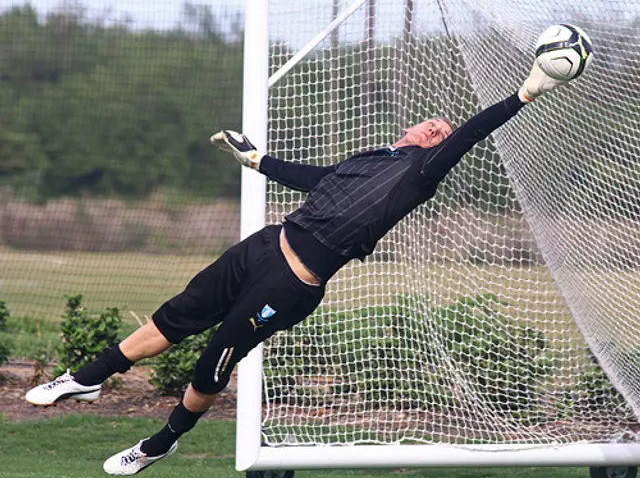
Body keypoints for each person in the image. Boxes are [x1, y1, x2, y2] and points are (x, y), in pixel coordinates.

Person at [25, 60, 566, 475]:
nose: (436, 130)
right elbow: (315, 178)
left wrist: (523, 94)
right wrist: (254, 159)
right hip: (264, 245)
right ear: (413, 127)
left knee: (212, 365)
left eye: (442, 134)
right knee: (175, 317)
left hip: (291, 284)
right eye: (432, 125)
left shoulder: (421, 174)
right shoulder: (371, 158)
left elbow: (471, 133)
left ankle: (159, 445)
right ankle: (84, 379)